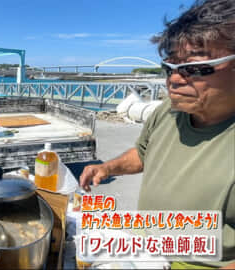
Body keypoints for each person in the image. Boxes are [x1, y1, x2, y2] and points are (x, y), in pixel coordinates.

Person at [80, 0, 235, 268]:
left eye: (194, 67)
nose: (174, 80)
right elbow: (144, 153)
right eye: (170, 68)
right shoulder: (168, 112)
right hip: (145, 242)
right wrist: (107, 167)